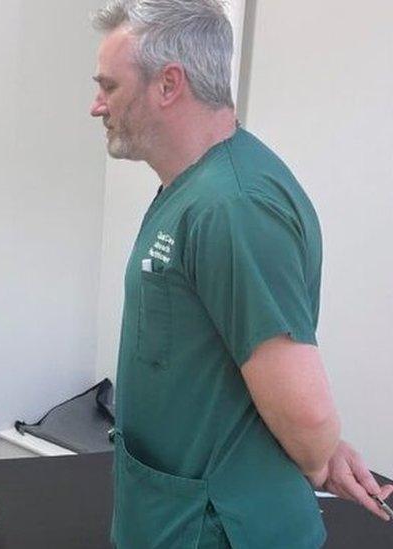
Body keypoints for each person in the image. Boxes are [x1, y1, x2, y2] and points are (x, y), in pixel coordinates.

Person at [88, 1, 393, 547]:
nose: (96, 105)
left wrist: (319, 452)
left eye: (108, 86)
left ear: (168, 85)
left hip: (218, 527)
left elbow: (309, 425)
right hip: (173, 514)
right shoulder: (191, 191)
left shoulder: (235, 206)